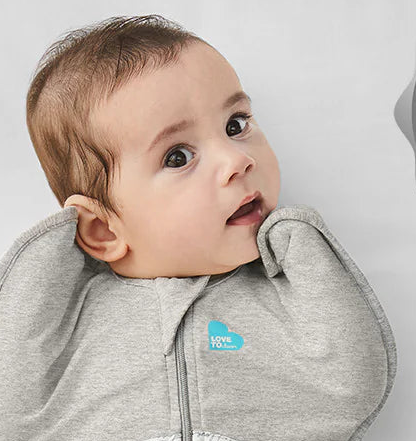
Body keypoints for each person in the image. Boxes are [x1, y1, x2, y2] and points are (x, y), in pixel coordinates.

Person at [25, 14, 282, 280]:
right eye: (178, 157)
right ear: (104, 230)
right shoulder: (68, 304)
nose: (237, 160)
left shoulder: (300, 267)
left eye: (235, 126)